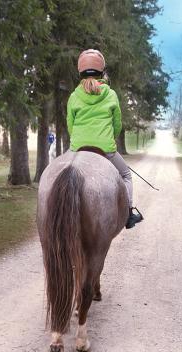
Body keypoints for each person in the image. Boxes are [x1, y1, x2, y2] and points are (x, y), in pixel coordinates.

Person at [67, 49, 143, 229]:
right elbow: (117, 125)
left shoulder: (74, 96)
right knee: (126, 175)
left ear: (80, 72)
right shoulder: (111, 94)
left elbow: (70, 125)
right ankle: (129, 213)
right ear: (101, 72)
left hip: (78, 148)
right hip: (105, 149)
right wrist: (108, 140)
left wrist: (78, 141)